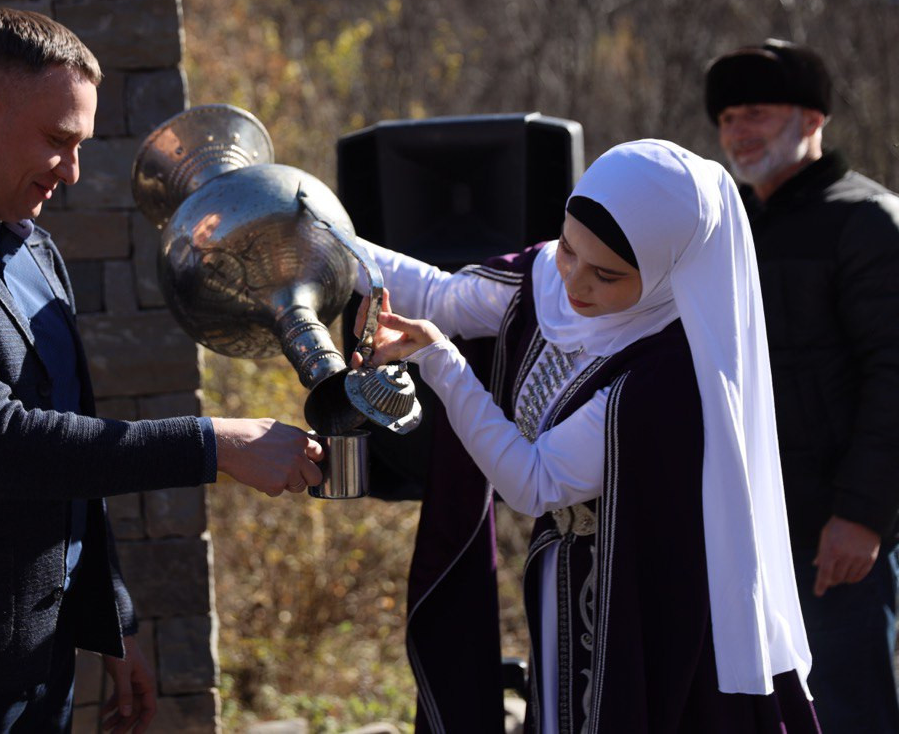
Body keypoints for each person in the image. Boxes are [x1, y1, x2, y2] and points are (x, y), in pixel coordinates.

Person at [0, 7, 324, 734]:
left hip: (42, 677)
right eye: (57, 141)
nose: (72, 172)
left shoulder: (36, 253)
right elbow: (3, 446)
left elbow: (74, 451)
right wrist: (217, 443)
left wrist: (113, 622)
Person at [351, 140, 819, 732]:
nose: (574, 281)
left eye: (607, 275)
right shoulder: (552, 277)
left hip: (643, 599)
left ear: (666, 270)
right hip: (564, 574)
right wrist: (329, 244)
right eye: (569, 248)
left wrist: (442, 364)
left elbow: (535, 481)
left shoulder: (671, 370)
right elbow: (444, 298)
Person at [705, 39, 899, 733]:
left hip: (835, 537)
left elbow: (893, 376)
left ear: (813, 118)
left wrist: (864, 515)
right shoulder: (730, 228)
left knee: (851, 713)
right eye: (727, 118)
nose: (738, 132)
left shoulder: (868, 220)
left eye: (756, 111)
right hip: (750, 528)